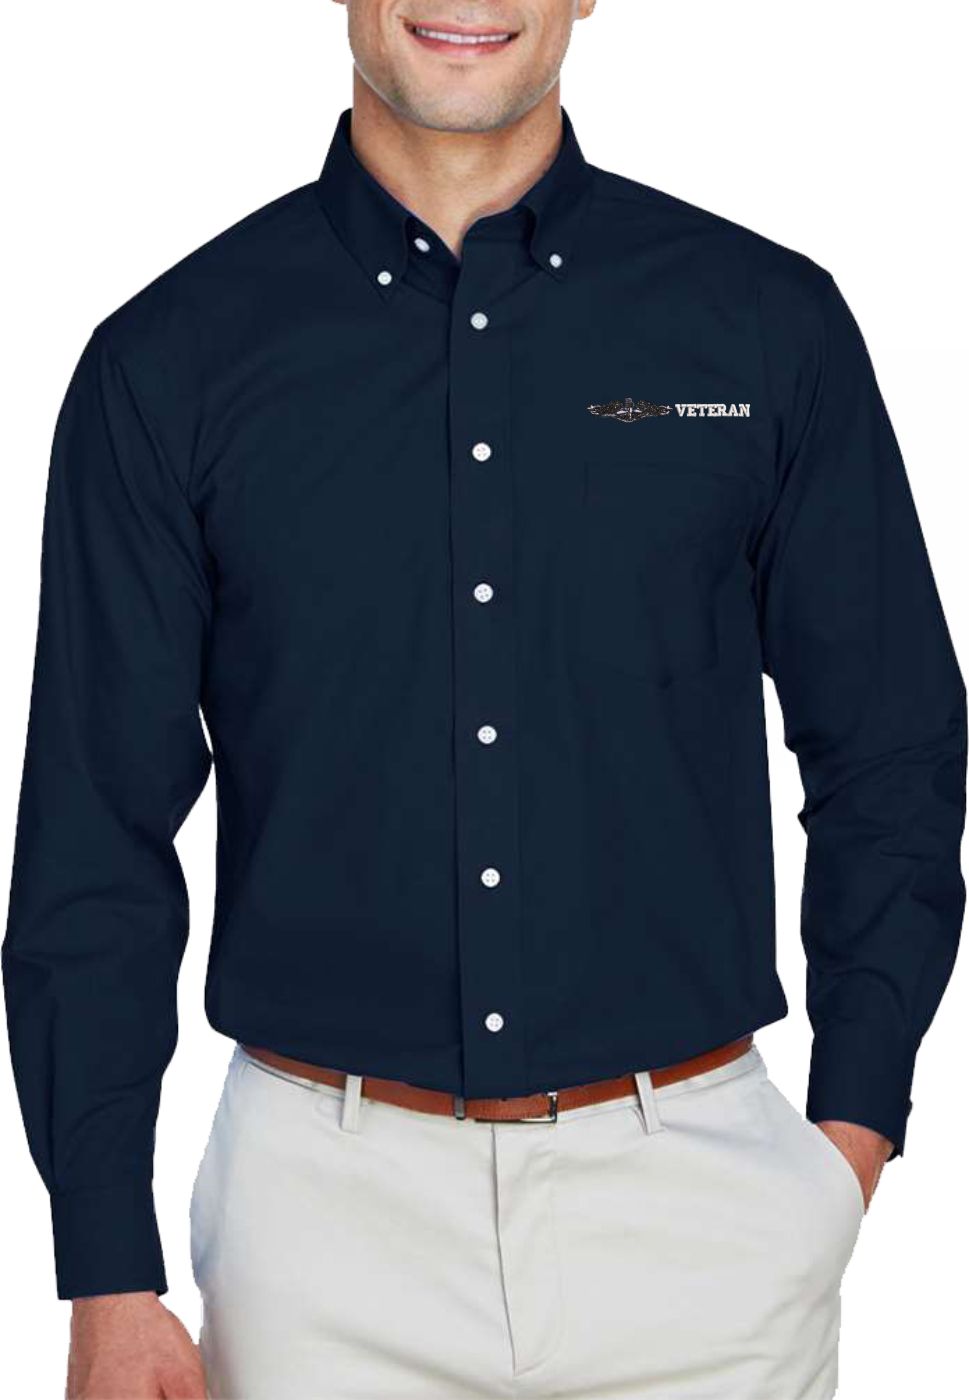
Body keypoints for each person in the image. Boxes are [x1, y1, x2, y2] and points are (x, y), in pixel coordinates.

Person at [4, 2, 965, 1397]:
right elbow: (94, 834)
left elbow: (890, 748)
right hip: (319, 1240)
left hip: (705, 1221)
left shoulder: (765, 325)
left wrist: (848, 1135)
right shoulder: (167, 363)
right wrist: (107, 1268)